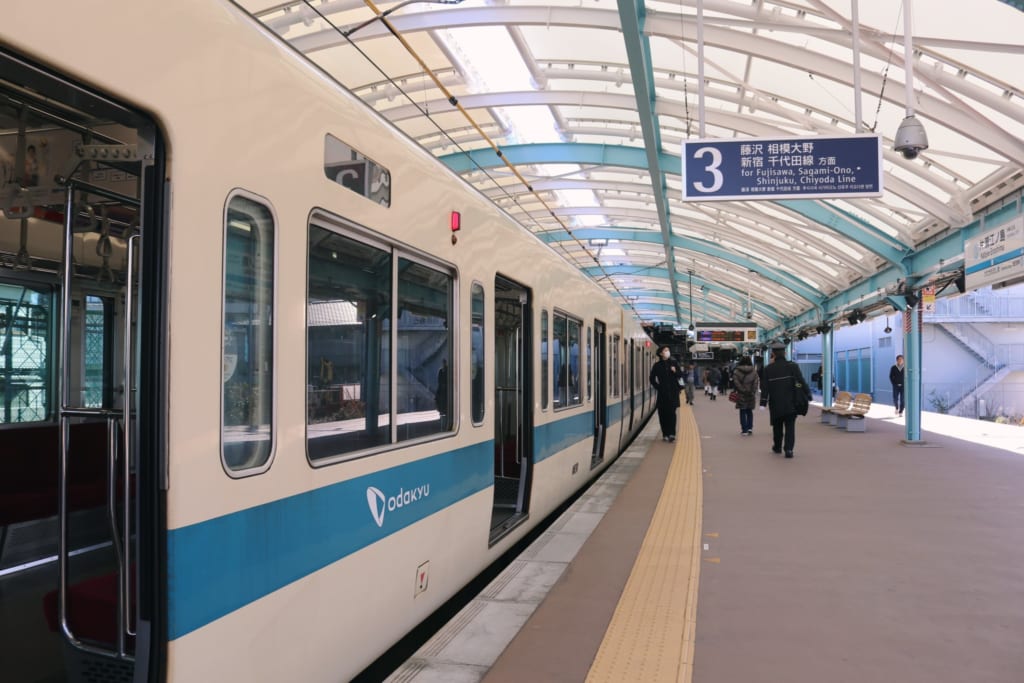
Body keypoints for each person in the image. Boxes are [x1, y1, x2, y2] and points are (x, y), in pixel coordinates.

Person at [759, 342, 812, 458]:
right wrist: (808, 393)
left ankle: (777, 447)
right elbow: (801, 380)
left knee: (777, 426)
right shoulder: (793, 366)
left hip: (776, 403)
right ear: (785, 353)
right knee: (790, 427)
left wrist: (763, 402)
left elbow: (765, 387)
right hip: (791, 402)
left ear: (773, 354)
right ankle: (789, 450)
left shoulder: (768, 369)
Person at [649, 345, 682, 441]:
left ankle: (672, 434)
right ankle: (665, 434)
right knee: (663, 414)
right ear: (661, 353)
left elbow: (680, 375)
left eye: (668, 350)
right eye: (665, 350)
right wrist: (658, 387)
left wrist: (675, 371)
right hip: (662, 393)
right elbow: (651, 378)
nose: (668, 352)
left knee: (672, 413)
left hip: (673, 392)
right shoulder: (657, 365)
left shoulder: (674, 363)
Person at [731, 355, 759, 435]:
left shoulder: (737, 371)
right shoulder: (754, 371)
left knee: (742, 411)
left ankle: (744, 430)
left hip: (741, 394)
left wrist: (742, 390)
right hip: (751, 394)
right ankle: (750, 428)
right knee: (749, 411)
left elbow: (736, 383)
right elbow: (756, 382)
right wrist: (752, 391)